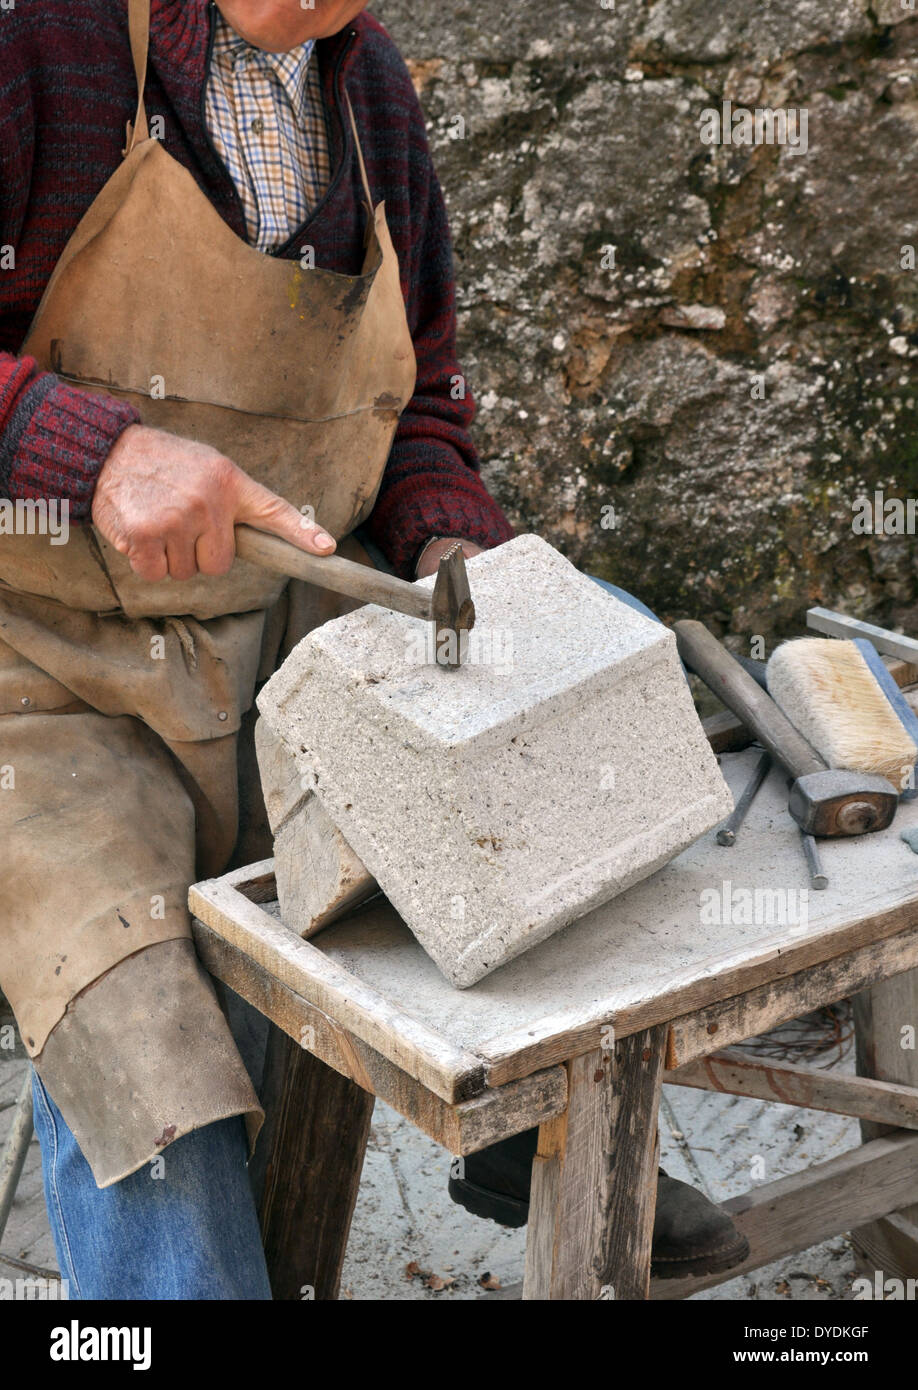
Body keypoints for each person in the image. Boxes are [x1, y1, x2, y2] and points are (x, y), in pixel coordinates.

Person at [0, 0, 746, 1297]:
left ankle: (536, 1103)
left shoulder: (367, 94)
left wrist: (456, 552)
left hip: (286, 616)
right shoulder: (39, 39)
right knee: (138, 1030)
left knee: (588, 671)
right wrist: (96, 447)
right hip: (48, 663)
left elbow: (420, 404)